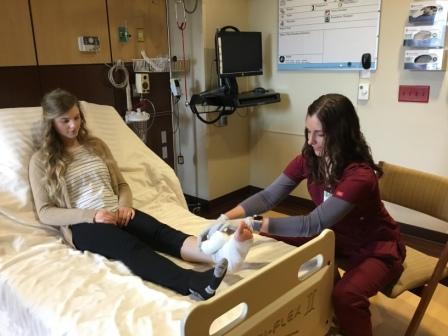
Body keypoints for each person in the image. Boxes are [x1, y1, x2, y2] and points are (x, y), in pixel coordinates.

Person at [200, 94, 405, 335]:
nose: (311, 141)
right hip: (335, 237)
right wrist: (226, 217)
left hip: (375, 247)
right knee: (278, 243)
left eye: (319, 134)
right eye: (308, 132)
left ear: (340, 134)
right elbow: (268, 197)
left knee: (346, 296)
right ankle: (326, 311)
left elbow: (311, 224)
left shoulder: (360, 176)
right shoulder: (310, 160)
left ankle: (342, 312)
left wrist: (253, 224)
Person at [29, 88, 253, 301]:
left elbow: (122, 185)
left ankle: (220, 255)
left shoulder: (96, 146)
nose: (73, 125)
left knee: (162, 233)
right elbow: (46, 212)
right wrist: (92, 215)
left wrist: (125, 205)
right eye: (65, 121)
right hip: (85, 225)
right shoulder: (41, 161)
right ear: (51, 123)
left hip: (118, 212)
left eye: (77, 118)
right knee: (130, 247)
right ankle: (193, 282)